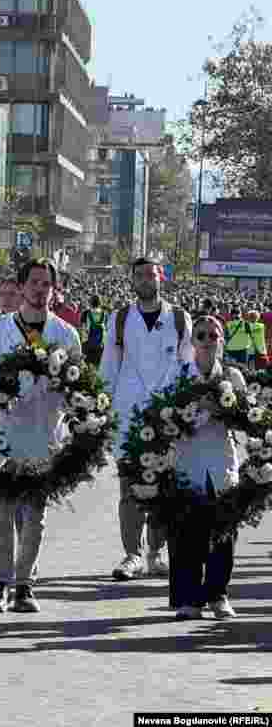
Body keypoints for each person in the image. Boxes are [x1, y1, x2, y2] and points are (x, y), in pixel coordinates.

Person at [0, 258, 81, 613]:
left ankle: (25, 585)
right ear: (21, 287)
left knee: (35, 513)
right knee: (3, 510)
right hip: (5, 430)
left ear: (54, 290)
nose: (39, 289)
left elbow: (78, 388)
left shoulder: (65, 334)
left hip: (44, 431)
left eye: (46, 284)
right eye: (34, 283)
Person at [101, 257, 191, 582]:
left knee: (165, 487)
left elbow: (188, 368)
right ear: (132, 280)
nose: (145, 279)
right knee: (130, 487)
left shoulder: (180, 318)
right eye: (139, 275)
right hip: (129, 414)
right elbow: (109, 365)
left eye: (150, 274)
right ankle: (132, 554)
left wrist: (186, 412)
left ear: (161, 277)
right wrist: (102, 410)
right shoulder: (121, 318)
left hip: (168, 417)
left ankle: (155, 553)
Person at [168, 316, 240, 620]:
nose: (208, 340)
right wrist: (200, 412)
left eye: (214, 335)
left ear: (222, 340)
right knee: (188, 533)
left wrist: (222, 410)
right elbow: (166, 418)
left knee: (224, 531)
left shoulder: (233, 376)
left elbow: (245, 417)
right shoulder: (179, 374)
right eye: (201, 335)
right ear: (192, 341)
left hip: (222, 460)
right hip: (189, 459)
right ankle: (189, 599)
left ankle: (218, 595)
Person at [80, 294, 107, 367]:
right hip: (100, 344)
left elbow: (82, 328)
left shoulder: (85, 313)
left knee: (86, 367)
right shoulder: (104, 314)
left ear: (90, 302)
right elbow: (106, 329)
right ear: (100, 303)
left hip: (87, 344)